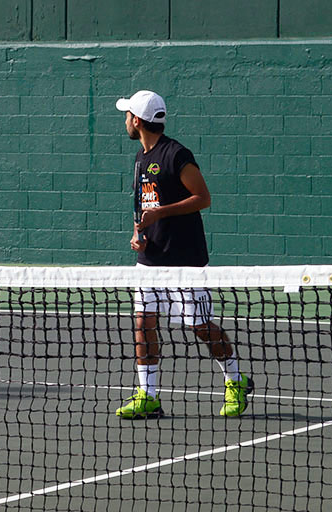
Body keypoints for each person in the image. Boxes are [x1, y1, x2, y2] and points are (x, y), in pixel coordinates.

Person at [113, 90, 252, 419]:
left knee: (201, 326)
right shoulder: (139, 158)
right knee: (143, 325)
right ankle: (148, 395)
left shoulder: (176, 154)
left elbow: (203, 198)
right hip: (150, 262)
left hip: (186, 262)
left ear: (137, 120)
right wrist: (138, 235)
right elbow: (142, 207)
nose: (125, 120)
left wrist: (161, 213)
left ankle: (235, 380)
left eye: (127, 115)